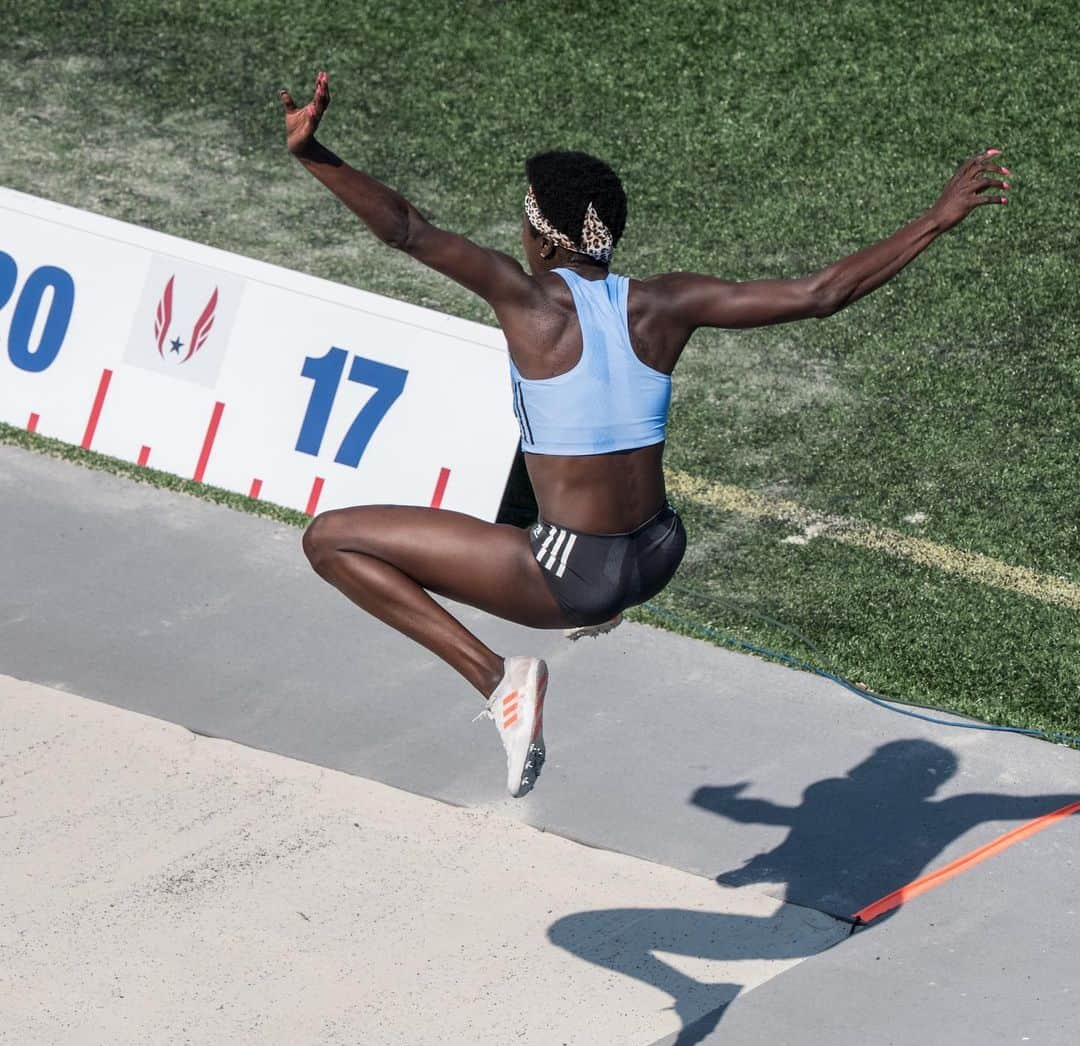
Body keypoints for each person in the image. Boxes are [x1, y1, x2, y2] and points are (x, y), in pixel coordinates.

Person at [279, 71, 1010, 798]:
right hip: (659, 552)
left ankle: (501, 678)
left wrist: (316, 155)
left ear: (539, 235)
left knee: (331, 540)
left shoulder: (524, 297)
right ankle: (592, 597)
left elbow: (405, 228)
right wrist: (936, 218)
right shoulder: (668, 301)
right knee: (556, 514)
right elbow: (821, 294)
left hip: (577, 578)